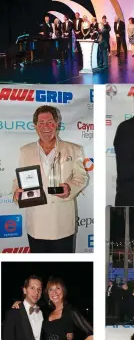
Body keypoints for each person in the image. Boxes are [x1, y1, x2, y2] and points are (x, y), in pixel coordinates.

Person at [12, 105, 88, 253]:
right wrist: (16, 192)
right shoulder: (25, 151)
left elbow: (81, 177)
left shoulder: (74, 149)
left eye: (50, 122)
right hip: (36, 222)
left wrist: (69, 188)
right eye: (41, 123)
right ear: (35, 126)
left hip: (62, 222)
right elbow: (18, 180)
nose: (45, 127)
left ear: (57, 123)